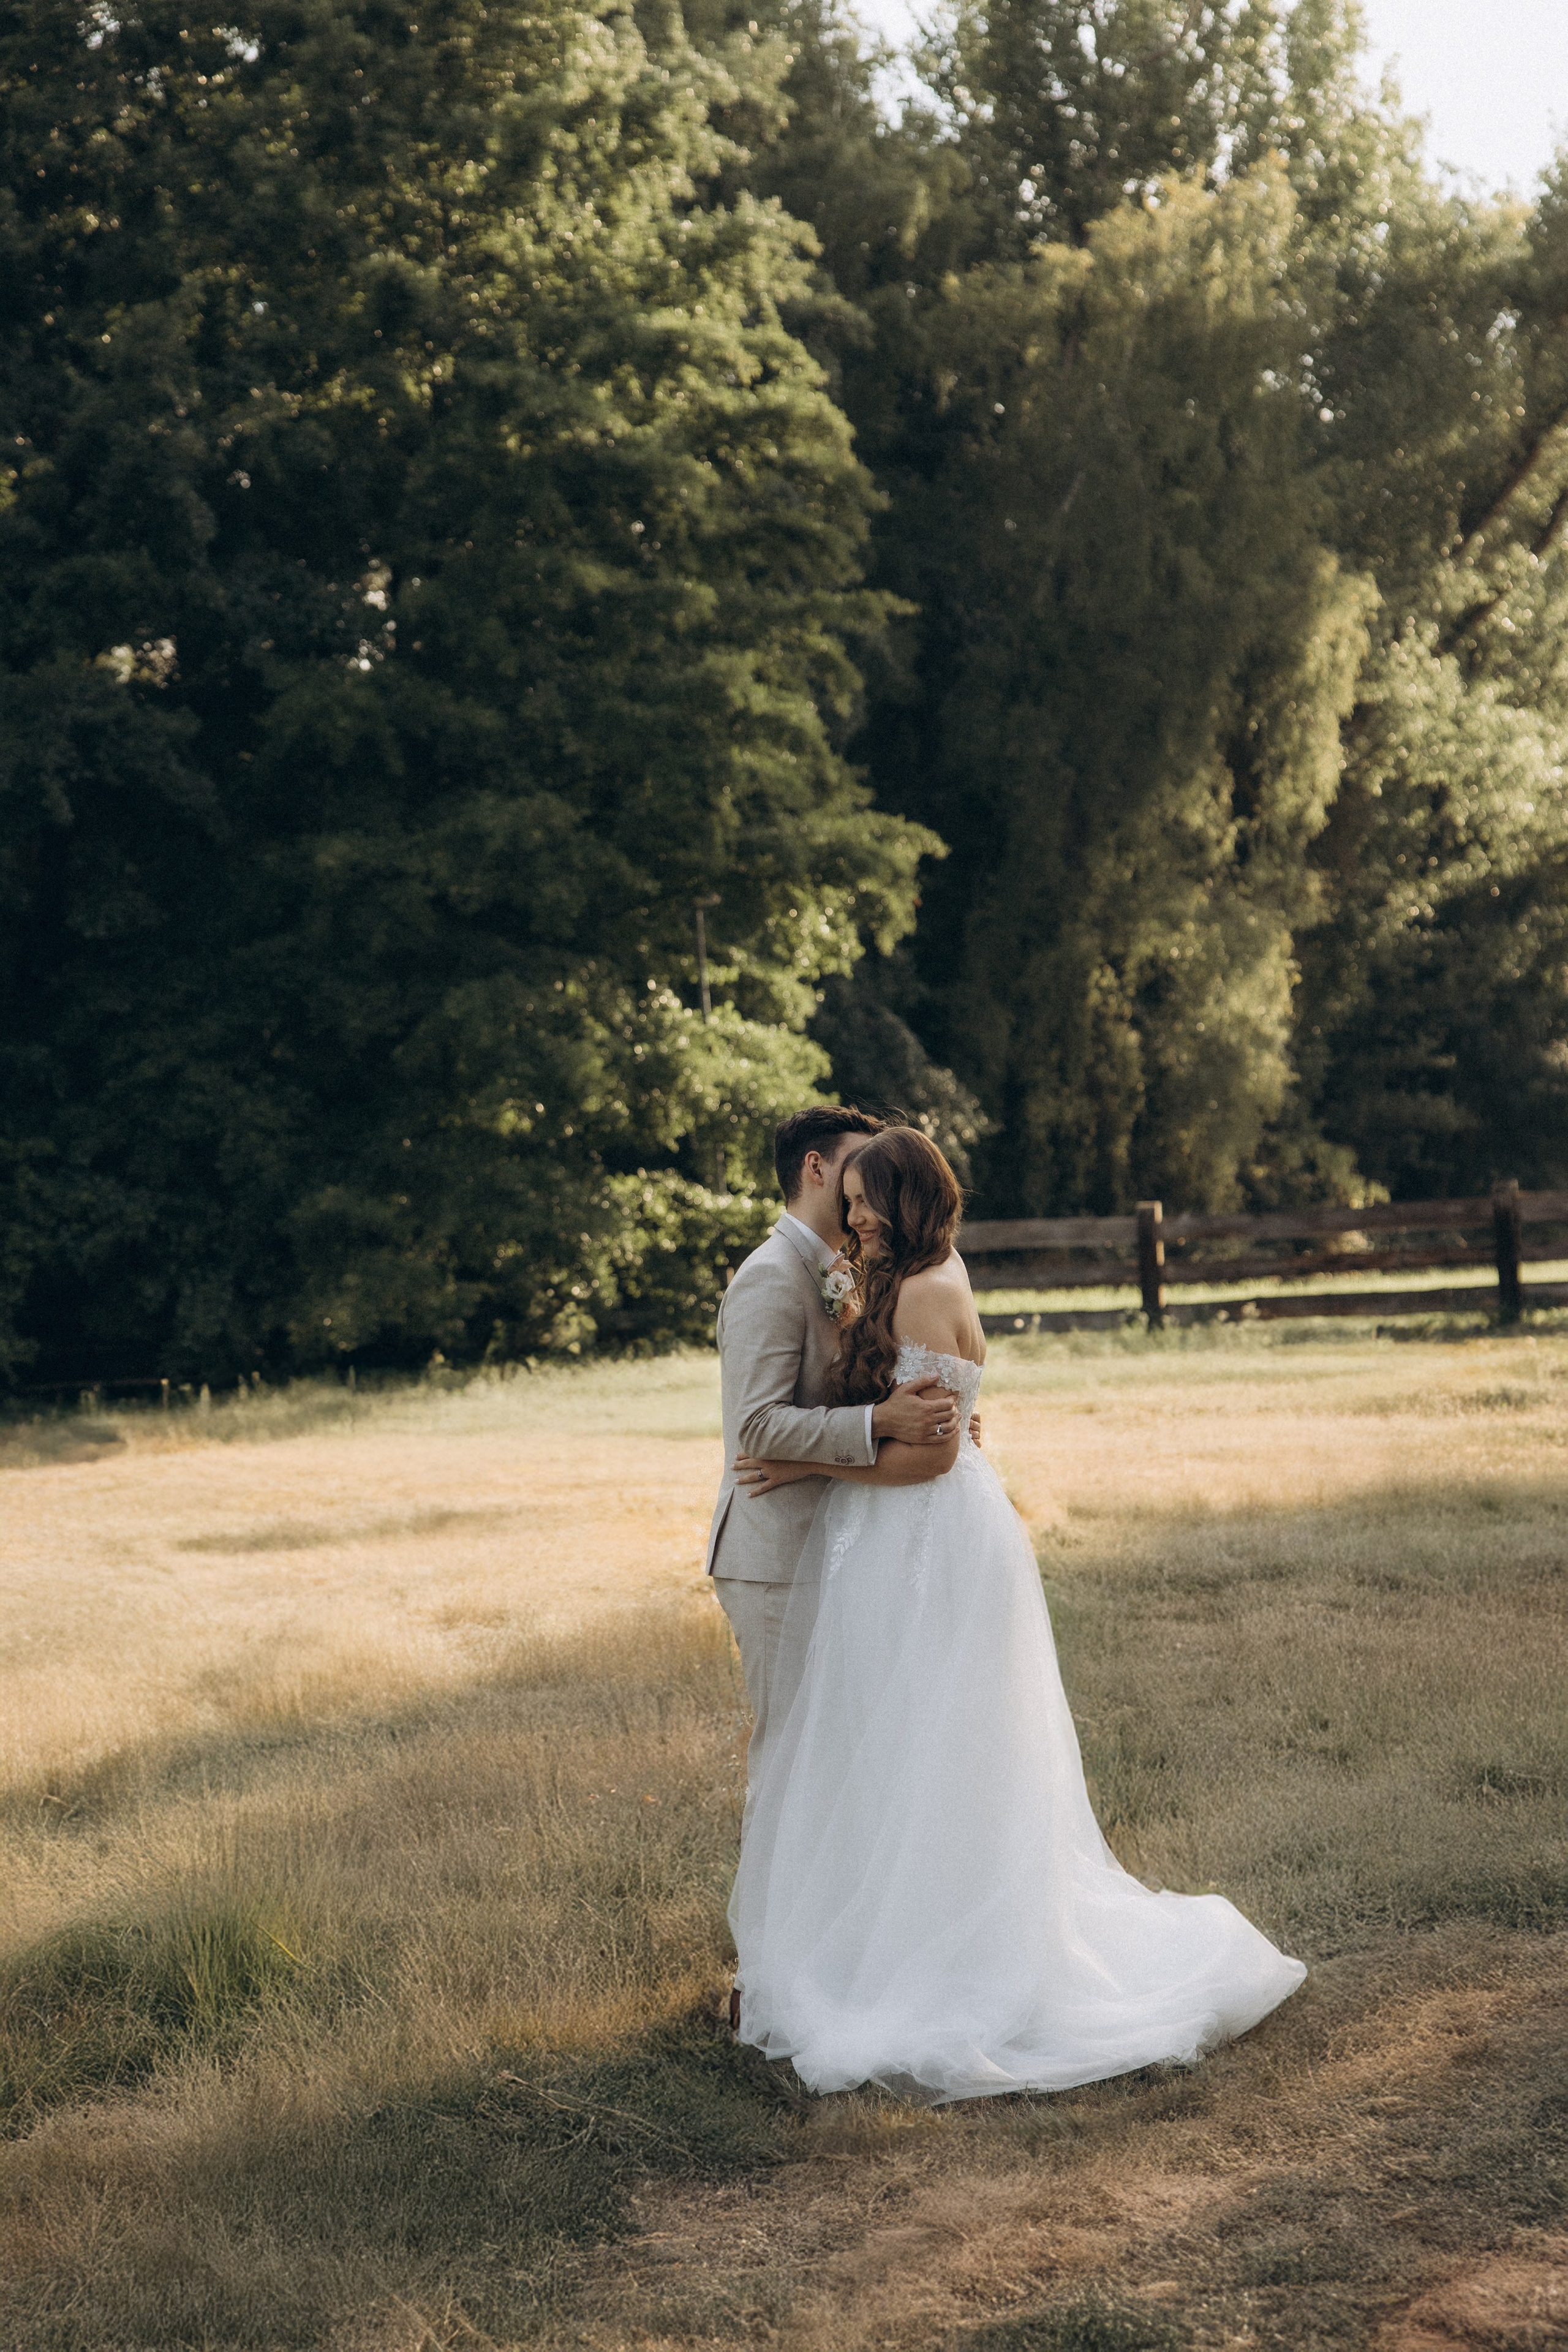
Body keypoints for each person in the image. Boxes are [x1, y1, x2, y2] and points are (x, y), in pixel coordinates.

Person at [726, 1126, 1306, 2104]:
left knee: (934, 1746)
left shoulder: (923, 1289)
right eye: (849, 1199)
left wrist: (799, 1461)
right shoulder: (908, 1274)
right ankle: (896, 1936)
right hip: (900, 1536)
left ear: (905, 1200)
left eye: (867, 1202)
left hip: (924, 1537)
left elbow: (932, 1455)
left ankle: (952, 1958)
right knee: (910, 1748)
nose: (854, 1218)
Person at [706, 1108, 965, 1842]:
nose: (864, 1193)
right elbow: (756, 1428)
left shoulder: (848, 1270)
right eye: (856, 1171)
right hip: (776, 1553)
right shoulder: (769, 1277)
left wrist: (937, 1416)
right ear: (816, 1168)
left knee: (843, 1753)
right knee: (793, 1756)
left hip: (838, 1542)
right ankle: (773, 1912)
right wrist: (881, 1422)